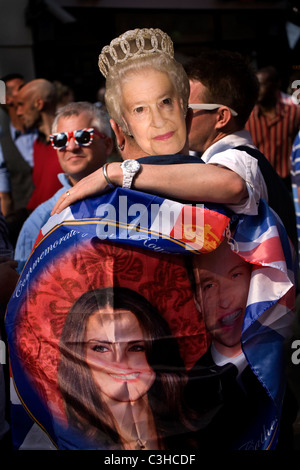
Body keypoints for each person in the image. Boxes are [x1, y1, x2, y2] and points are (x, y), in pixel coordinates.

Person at [186, 240, 297, 449]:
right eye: (209, 285)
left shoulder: (289, 361)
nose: (224, 300)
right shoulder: (186, 391)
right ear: (197, 301)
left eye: (235, 275)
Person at [57, 286, 196, 450]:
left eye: (135, 348)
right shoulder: (70, 441)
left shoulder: (195, 428)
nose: (119, 361)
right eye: (101, 348)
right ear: (78, 358)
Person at [14, 101, 113, 273]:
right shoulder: (40, 219)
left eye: (83, 137)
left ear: (108, 145)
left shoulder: (138, 193)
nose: (71, 147)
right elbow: (24, 286)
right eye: (61, 140)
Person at [245, 65, 300, 189]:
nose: (257, 90)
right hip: (259, 184)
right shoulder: (248, 118)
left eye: (262, 85)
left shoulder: (293, 114)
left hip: (289, 183)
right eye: (256, 85)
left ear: (276, 85)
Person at [16, 79, 63, 213]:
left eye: (21, 104)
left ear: (39, 103)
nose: (18, 112)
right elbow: (40, 192)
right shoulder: (38, 143)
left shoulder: (71, 142)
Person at [0, 74, 37, 223]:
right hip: (25, 222)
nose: (29, 90)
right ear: (8, 99)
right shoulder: (2, 142)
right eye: (21, 88)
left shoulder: (45, 132)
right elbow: (4, 195)